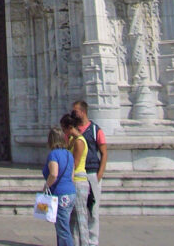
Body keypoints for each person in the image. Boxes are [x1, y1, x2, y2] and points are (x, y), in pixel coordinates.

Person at [71, 100, 107, 246]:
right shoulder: (73, 131)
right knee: (78, 211)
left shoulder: (95, 130)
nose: (73, 113)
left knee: (92, 210)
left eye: (75, 111)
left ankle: (93, 242)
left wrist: (99, 175)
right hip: (78, 175)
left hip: (92, 172)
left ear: (83, 112)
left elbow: (104, 153)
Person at [42, 125, 76, 246]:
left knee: (63, 229)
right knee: (63, 226)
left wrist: (46, 186)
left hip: (60, 195)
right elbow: (72, 176)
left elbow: (54, 174)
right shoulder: (69, 155)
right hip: (71, 193)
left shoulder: (53, 155)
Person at [61, 111, 90, 246]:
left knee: (81, 218)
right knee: (72, 219)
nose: (63, 132)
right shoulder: (72, 140)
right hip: (72, 181)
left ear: (69, 127)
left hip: (78, 180)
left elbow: (75, 163)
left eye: (63, 129)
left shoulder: (79, 141)